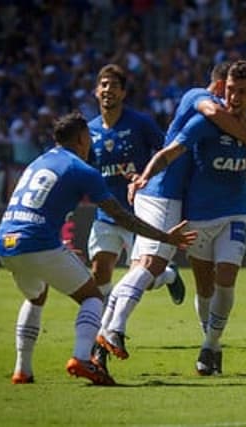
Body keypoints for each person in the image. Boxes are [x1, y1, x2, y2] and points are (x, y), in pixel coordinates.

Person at [0, 111, 196, 386]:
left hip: (6, 242)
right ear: (81, 138)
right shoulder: (82, 169)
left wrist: (56, 246)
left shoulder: (37, 162)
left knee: (36, 296)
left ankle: (23, 370)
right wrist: (165, 237)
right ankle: (82, 358)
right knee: (93, 298)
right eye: (88, 137)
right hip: (38, 242)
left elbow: (34, 206)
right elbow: (121, 216)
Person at [92, 61, 246, 364]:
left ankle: (105, 336)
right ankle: (113, 329)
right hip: (163, 194)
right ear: (217, 86)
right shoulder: (199, 101)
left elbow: (242, 154)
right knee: (150, 264)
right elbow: (175, 147)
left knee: (147, 268)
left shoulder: (239, 117)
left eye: (240, 91)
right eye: (226, 90)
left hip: (180, 200)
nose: (229, 98)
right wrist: (146, 177)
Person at [86, 64, 185, 306]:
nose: (108, 89)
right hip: (106, 214)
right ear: (96, 91)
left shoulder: (140, 123)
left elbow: (167, 153)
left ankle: (169, 275)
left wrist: (150, 179)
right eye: (104, 84)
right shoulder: (89, 130)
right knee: (99, 274)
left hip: (139, 213)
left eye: (114, 86)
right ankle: (106, 328)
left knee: (145, 280)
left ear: (123, 93)